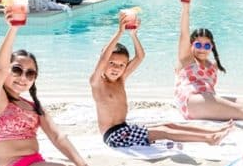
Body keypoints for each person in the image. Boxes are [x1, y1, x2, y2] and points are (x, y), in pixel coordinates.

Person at [0, 17, 216, 166]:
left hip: (35, 164)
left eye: (30, 73)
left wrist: (81, 164)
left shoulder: (32, 105)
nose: (23, 77)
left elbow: (58, 136)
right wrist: (13, 27)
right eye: (17, 70)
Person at [91, 10, 233, 148]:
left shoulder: (120, 79)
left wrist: (133, 35)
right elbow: (104, 57)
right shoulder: (97, 82)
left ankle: (213, 131)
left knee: (169, 125)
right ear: (103, 64)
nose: (117, 68)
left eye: (122, 65)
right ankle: (209, 139)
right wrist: (120, 32)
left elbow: (140, 56)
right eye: (112, 63)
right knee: (164, 132)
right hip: (114, 136)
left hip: (124, 128)